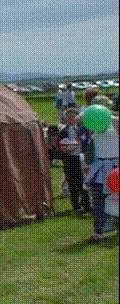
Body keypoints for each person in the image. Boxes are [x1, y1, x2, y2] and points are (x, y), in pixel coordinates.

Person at [85, 98, 119, 242]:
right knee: (98, 200)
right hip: (99, 168)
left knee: (116, 199)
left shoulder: (116, 122)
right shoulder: (93, 123)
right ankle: (99, 231)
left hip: (115, 168)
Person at [56, 106, 92, 214]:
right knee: (72, 183)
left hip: (81, 158)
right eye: (68, 117)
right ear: (65, 118)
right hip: (69, 159)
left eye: (73, 117)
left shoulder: (82, 129)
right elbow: (60, 145)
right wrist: (66, 149)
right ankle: (76, 205)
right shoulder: (63, 132)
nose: (70, 119)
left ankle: (87, 205)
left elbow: (86, 142)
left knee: (82, 182)